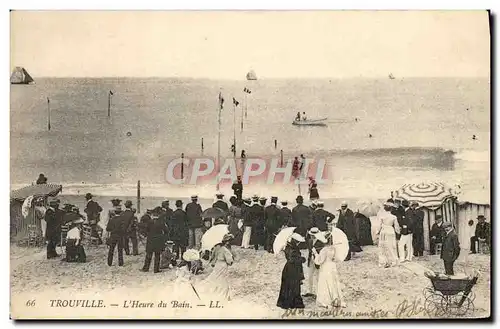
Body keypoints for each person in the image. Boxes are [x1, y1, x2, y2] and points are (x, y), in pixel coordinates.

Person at [314, 232, 346, 308]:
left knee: (326, 282)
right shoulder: (334, 248)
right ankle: (335, 298)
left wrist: (315, 254)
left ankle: (327, 300)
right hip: (332, 266)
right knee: (333, 282)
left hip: (325, 267)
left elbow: (319, 261)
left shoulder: (324, 250)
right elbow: (336, 258)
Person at [202, 233, 236, 301]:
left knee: (215, 278)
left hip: (217, 264)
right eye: (229, 241)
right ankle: (224, 296)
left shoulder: (217, 247)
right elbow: (230, 262)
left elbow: (213, 257)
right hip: (223, 266)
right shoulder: (226, 250)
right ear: (227, 242)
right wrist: (232, 258)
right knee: (223, 281)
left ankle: (213, 293)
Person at [277, 233, 306, 309]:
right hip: (293, 269)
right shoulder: (292, 248)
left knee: (288, 286)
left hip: (289, 268)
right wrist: (302, 259)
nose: (298, 242)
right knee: (293, 285)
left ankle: (288, 301)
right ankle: (292, 302)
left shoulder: (288, 246)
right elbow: (293, 259)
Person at [142, 208, 169, 273]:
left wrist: (146, 235)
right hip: (158, 240)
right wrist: (163, 238)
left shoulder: (149, 222)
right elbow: (166, 231)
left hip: (150, 240)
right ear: (159, 215)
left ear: (153, 215)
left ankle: (146, 268)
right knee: (157, 255)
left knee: (148, 255)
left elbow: (146, 230)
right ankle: (156, 269)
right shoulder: (161, 222)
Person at [376, 202, 401, 268]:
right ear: (391, 209)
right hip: (390, 230)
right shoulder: (393, 217)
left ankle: (383, 262)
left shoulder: (382, 216)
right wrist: (398, 232)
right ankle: (393, 261)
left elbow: (379, 225)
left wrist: (377, 232)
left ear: (384, 208)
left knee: (383, 247)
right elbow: (396, 227)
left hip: (384, 231)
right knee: (391, 246)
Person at [304, 227, 325, 298]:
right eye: (311, 235)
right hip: (311, 260)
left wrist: (315, 253)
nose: (311, 236)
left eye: (313, 235)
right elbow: (309, 249)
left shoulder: (321, 242)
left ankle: (318, 292)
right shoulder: (310, 241)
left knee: (318, 277)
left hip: (318, 261)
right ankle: (309, 291)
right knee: (309, 276)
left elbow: (322, 252)